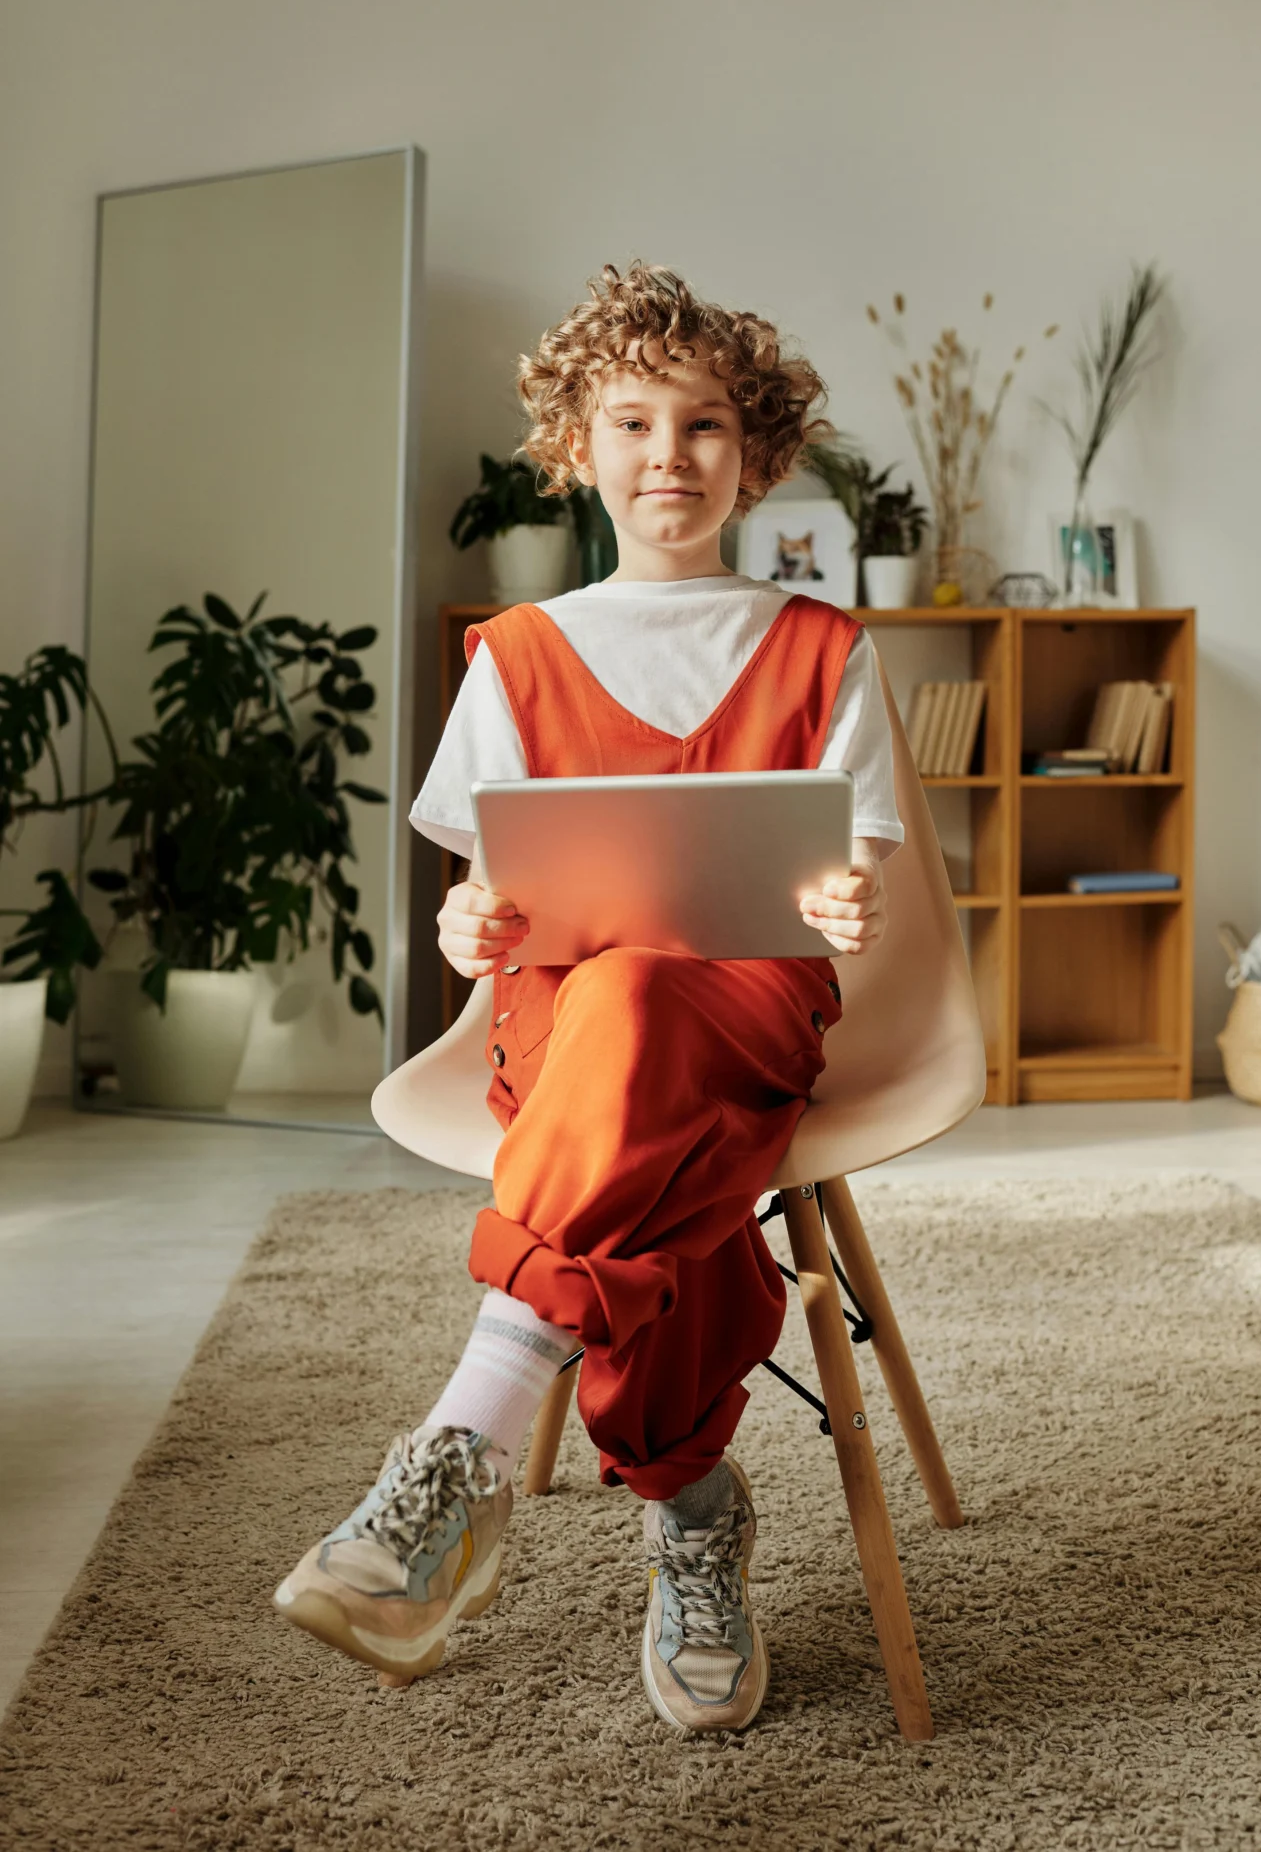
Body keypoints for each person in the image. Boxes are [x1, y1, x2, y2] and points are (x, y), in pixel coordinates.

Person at [274, 260, 902, 1733]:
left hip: (751, 1013)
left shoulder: (825, 649)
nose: (667, 457)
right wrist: (475, 916)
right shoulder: (518, 656)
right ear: (579, 448)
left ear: (756, 453)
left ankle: (458, 1445)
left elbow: (845, 885)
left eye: (701, 426)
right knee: (621, 1025)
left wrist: (842, 904)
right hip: (564, 1028)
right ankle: (691, 1504)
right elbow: (483, 899)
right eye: (633, 423)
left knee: (646, 1017)